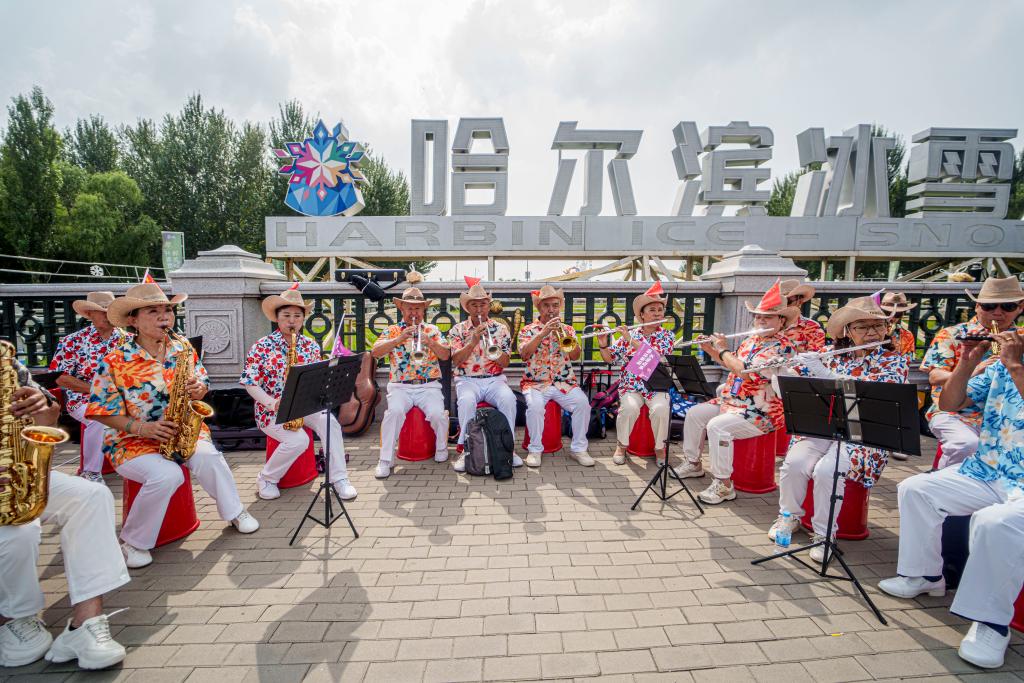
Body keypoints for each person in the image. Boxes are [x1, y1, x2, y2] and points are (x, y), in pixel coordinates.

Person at [877, 327, 1024, 670]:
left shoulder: (1012, 361)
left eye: (1009, 308)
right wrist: (967, 363)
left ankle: (991, 623)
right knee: (916, 489)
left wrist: (1016, 366)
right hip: (990, 468)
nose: (1003, 319)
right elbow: (951, 403)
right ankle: (926, 576)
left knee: (992, 523)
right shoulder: (1001, 363)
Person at [87, 283, 259, 570]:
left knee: (210, 458)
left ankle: (235, 511)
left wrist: (199, 388)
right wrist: (142, 428)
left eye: (167, 310)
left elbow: (202, 380)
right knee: (167, 475)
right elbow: (100, 412)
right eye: (153, 311)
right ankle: (133, 542)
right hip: (133, 441)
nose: (164, 316)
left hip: (183, 430)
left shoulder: (182, 347)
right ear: (133, 320)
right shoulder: (115, 360)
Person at [0, 351, 129, 670]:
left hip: (15, 471)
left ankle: (85, 624)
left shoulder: (7, 364)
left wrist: (45, 411)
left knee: (92, 496)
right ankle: (14, 617)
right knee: (19, 531)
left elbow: (48, 411)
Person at [770, 297, 908, 561]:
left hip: (863, 434)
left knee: (827, 471)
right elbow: (795, 391)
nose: (871, 332)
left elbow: (868, 397)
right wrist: (781, 372)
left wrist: (824, 374)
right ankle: (789, 516)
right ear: (847, 331)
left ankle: (825, 535)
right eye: (862, 327)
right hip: (824, 426)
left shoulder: (894, 361)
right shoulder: (831, 355)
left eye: (878, 326)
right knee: (795, 463)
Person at [682, 282, 798, 504]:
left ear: (781, 321)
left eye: (768, 317)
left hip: (760, 411)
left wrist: (723, 348)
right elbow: (731, 363)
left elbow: (745, 373)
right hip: (733, 402)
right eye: (758, 317)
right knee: (695, 414)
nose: (761, 321)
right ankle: (693, 463)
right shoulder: (751, 341)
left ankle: (724, 485)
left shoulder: (782, 348)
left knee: (717, 427)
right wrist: (711, 350)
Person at [240, 284, 357, 501]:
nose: (292, 321)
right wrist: (272, 403)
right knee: (299, 441)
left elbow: (318, 380)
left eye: (297, 316)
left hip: (304, 405)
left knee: (331, 424)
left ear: (303, 319)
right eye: (286, 316)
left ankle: (339, 478)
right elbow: (250, 382)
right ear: (277, 318)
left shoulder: (310, 345)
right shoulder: (261, 346)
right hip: (272, 410)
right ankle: (267, 478)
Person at [920, 276, 1024, 469]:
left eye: (1008, 306)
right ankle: (944, 479)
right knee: (967, 444)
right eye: (989, 306)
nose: (997, 313)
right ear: (977, 306)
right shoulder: (954, 334)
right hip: (956, 412)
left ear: (1020, 307)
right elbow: (935, 376)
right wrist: (974, 370)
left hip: (1007, 414)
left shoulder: (1020, 338)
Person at [372, 287, 450, 479]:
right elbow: (375, 352)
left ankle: (441, 448)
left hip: (429, 384)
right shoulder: (392, 330)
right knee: (394, 413)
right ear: (402, 309)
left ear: (423, 310)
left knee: (437, 414)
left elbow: (445, 355)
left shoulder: (432, 330)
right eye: (409, 308)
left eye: (418, 308)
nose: (414, 313)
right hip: (400, 386)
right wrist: (398, 339)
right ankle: (385, 460)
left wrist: (430, 342)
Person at [49, 292, 127, 482]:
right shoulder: (72, 341)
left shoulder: (129, 340)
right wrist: (97, 390)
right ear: (90, 314)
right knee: (99, 417)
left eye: (110, 311)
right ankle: (91, 473)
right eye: (102, 312)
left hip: (125, 397)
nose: (108, 316)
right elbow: (59, 377)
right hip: (84, 398)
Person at [448, 276, 523, 473]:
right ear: (467, 308)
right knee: (466, 402)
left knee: (509, 399)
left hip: (494, 379)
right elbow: (456, 361)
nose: (479, 309)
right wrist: (473, 341)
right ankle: (465, 450)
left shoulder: (501, 329)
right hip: (467, 380)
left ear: (489, 306)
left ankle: (508, 449)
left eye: (483, 304)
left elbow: (505, 363)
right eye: (474, 305)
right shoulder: (458, 330)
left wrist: (494, 350)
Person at [597, 282, 675, 465]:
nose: (657, 313)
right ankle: (621, 446)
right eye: (652, 310)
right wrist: (603, 344)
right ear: (642, 315)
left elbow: (653, 356)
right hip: (631, 386)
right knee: (629, 408)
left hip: (656, 386)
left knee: (661, 409)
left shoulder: (667, 336)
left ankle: (659, 448)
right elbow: (610, 359)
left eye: (660, 310)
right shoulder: (631, 333)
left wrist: (630, 339)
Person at [517, 285, 593, 468]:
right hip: (536, 383)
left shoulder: (567, 329)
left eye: (555, 305)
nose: (551, 310)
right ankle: (535, 450)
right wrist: (543, 333)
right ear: (539, 307)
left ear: (560, 307)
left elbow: (575, 356)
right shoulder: (528, 330)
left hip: (563, 382)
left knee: (583, 404)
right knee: (535, 407)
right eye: (546, 305)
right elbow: (524, 355)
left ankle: (579, 449)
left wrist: (564, 337)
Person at [780, 280, 825, 353]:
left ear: (800, 301)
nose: (783, 305)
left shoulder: (813, 328)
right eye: (779, 301)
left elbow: (814, 357)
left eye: (788, 301)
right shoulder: (768, 325)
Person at [880, 291, 918, 359]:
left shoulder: (907, 335)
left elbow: (908, 360)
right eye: (888, 313)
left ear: (903, 314)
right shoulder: (872, 332)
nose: (892, 317)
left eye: (897, 314)